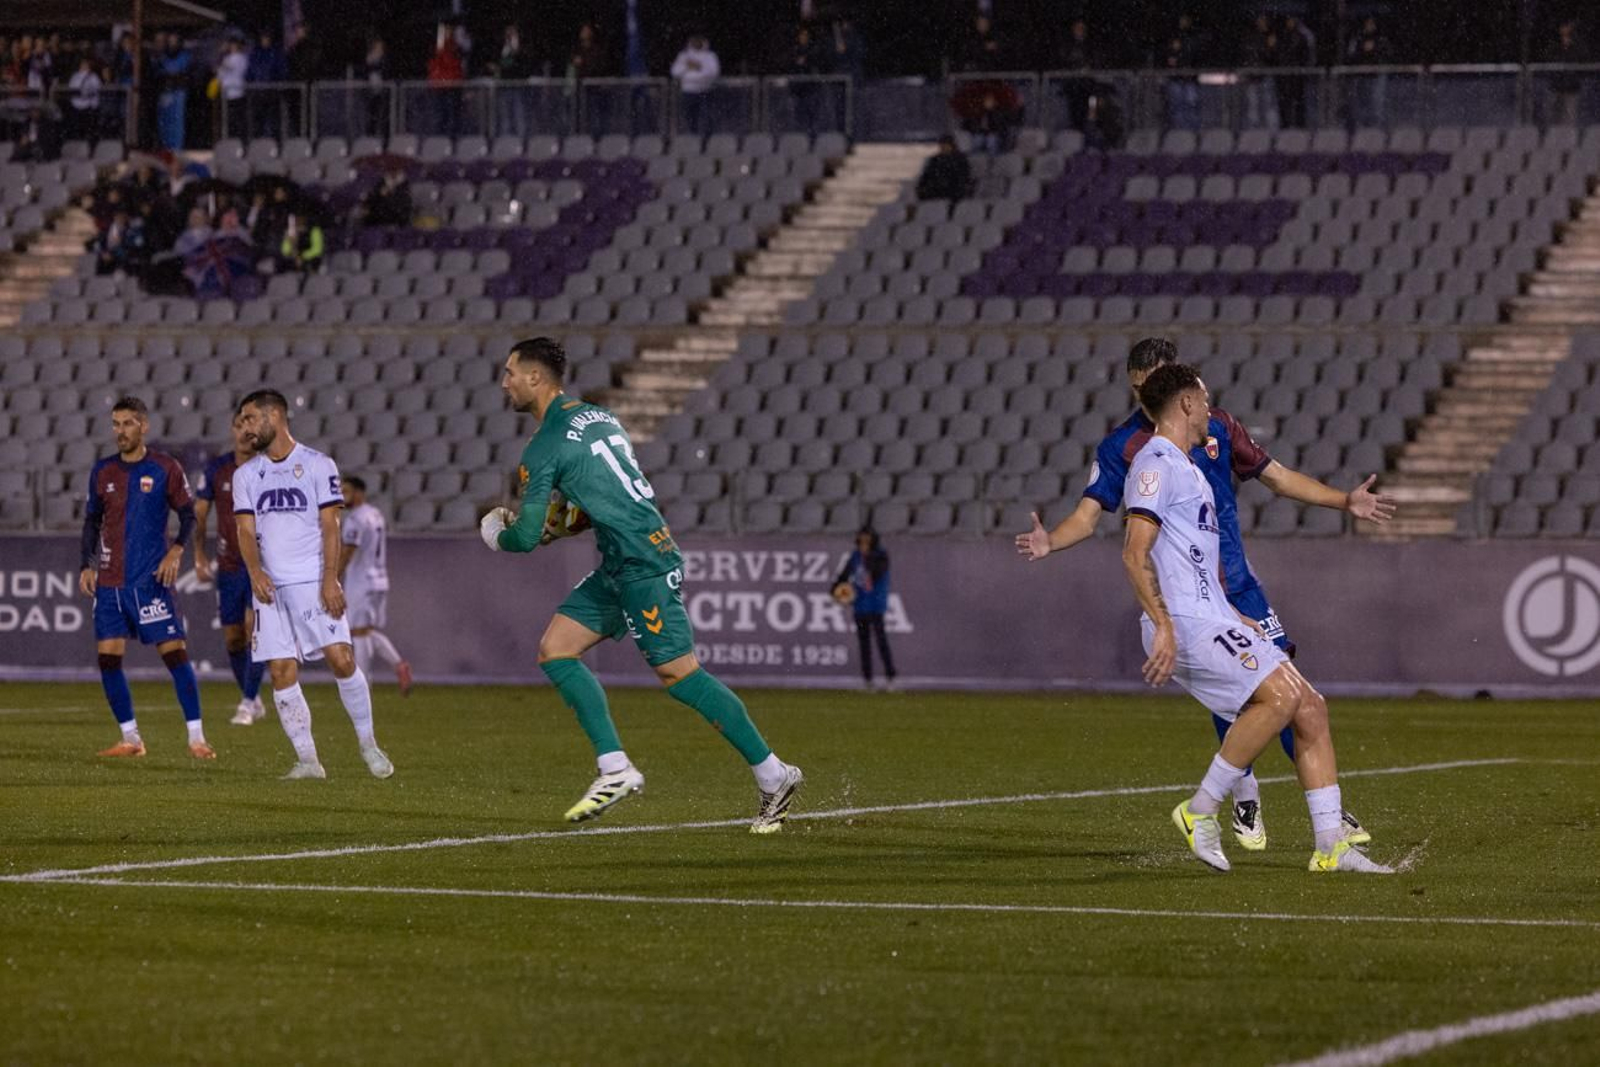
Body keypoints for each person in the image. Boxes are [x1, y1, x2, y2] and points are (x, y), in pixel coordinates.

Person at [1015, 337, 1396, 850]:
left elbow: (1279, 479)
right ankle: (1240, 793)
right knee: (1259, 690)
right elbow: (1092, 519)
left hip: (1235, 582)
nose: (1144, 394)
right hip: (1189, 593)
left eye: (1153, 382)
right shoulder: (1130, 449)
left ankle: (1320, 812)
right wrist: (1051, 541)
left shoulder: (1215, 426)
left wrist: (1343, 501)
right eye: (1136, 387)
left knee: (1291, 692)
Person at [478, 338, 803, 832]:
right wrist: (561, 525)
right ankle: (614, 767)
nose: (504, 383)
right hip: (622, 558)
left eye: (509, 372)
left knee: (681, 675)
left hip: (643, 562)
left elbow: (523, 538)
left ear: (535, 378)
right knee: (556, 650)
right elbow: (601, 500)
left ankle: (774, 774)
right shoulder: (601, 417)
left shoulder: (543, 446)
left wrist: (497, 534)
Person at [1120, 364, 1390, 874]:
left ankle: (1331, 844)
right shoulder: (1155, 464)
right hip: (1185, 621)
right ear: (1185, 404)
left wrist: (1233, 615)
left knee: (1310, 707)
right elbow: (1135, 553)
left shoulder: (1190, 468)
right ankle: (1201, 809)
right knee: (1281, 697)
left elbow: (1196, 561)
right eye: (1203, 398)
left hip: (1216, 614)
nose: (1210, 408)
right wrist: (1164, 624)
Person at [232, 389, 393, 781]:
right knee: (281, 670)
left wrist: (330, 578)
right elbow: (245, 529)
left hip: (312, 579)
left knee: (343, 659)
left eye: (250, 418)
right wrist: (254, 572)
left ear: (274, 416)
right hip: (270, 587)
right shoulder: (246, 475)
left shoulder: (318, 465)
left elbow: (330, 525)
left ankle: (368, 744)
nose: (245, 427)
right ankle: (308, 761)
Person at [79, 396, 213, 760]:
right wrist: (87, 565)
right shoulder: (103, 471)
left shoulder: (165, 468)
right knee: (108, 660)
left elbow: (189, 515)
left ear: (144, 426)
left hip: (150, 581)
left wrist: (177, 551)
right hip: (109, 584)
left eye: (127, 423)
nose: (120, 431)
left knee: (175, 656)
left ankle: (197, 738)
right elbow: (91, 521)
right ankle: (131, 738)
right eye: (116, 424)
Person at [195, 411, 267, 726]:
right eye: (239, 426)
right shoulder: (217, 468)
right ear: (232, 429)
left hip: (263, 565)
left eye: (249, 426)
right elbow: (199, 512)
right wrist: (199, 554)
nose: (244, 432)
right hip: (229, 565)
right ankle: (253, 697)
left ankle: (247, 703)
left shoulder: (270, 469)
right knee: (234, 639)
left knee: (255, 632)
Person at [338, 476, 413, 695]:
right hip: (379, 579)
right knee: (366, 631)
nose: (342, 496)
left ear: (359, 493)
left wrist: (333, 577)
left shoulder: (355, 519)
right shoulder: (375, 514)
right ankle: (399, 665)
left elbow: (347, 552)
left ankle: (362, 685)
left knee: (358, 632)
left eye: (346, 491)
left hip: (361, 581)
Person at [834, 528, 897, 690]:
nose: (864, 543)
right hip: (860, 605)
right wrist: (836, 590)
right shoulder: (855, 556)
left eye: (867, 540)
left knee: (881, 641)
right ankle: (868, 679)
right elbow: (843, 576)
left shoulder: (881, 555)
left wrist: (867, 557)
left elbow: (875, 573)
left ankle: (890, 677)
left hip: (876, 604)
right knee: (864, 643)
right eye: (861, 540)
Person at [671, 35, 720, 136]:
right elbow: (675, 72)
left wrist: (699, 67)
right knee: (690, 116)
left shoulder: (710, 56)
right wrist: (687, 67)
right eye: (694, 41)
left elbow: (714, 72)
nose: (696, 43)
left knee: (706, 116)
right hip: (688, 91)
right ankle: (693, 135)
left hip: (705, 91)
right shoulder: (683, 56)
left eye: (698, 41)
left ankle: (707, 137)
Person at [492, 24, 532, 138]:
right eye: (508, 34)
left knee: (519, 115)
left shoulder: (521, 49)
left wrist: (516, 50)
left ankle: (522, 140)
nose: (509, 36)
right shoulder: (502, 49)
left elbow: (523, 63)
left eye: (512, 34)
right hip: (504, 87)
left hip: (518, 87)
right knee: (505, 117)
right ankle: (506, 141)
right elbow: (498, 64)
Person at [916, 134, 972, 201]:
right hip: (936, 188)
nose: (943, 147)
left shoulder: (960, 159)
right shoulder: (935, 159)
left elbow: (963, 177)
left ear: (952, 146)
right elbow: (926, 175)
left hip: (952, 188)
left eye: (946, 145)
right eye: (942, 145)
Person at [66, 54, 102, 143]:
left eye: (86, 64)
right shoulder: (75, 75)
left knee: (88, 128)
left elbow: (97, 89)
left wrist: (93, 103)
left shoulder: (93, 76)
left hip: (88, 106)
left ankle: (89, 142)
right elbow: (71, 88)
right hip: (76, 104)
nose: (84, 66)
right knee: (77, 127)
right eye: (82, 64)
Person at [216, 38, 248, 137]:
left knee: (237, 119)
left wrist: (221, 54)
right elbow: (219, 73)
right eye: (231, 45)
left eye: (234, 45)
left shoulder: (241, 58)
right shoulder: (227, 58)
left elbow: (228, 67)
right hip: (226, 93)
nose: (232, 47)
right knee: (227, 120)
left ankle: (238, 139)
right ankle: (229, 138)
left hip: (237, 93)